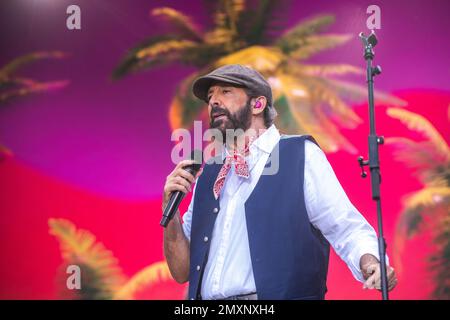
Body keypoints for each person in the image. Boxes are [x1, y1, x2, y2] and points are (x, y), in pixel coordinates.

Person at [162, 64, 397, 300]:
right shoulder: (209, 175)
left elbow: (345, 227)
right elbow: (182, 271)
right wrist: (171, 215)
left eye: (225, 92)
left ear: (258, 104)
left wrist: (371, 262)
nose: (213, 101)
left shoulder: (299, 154)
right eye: (210, 96)